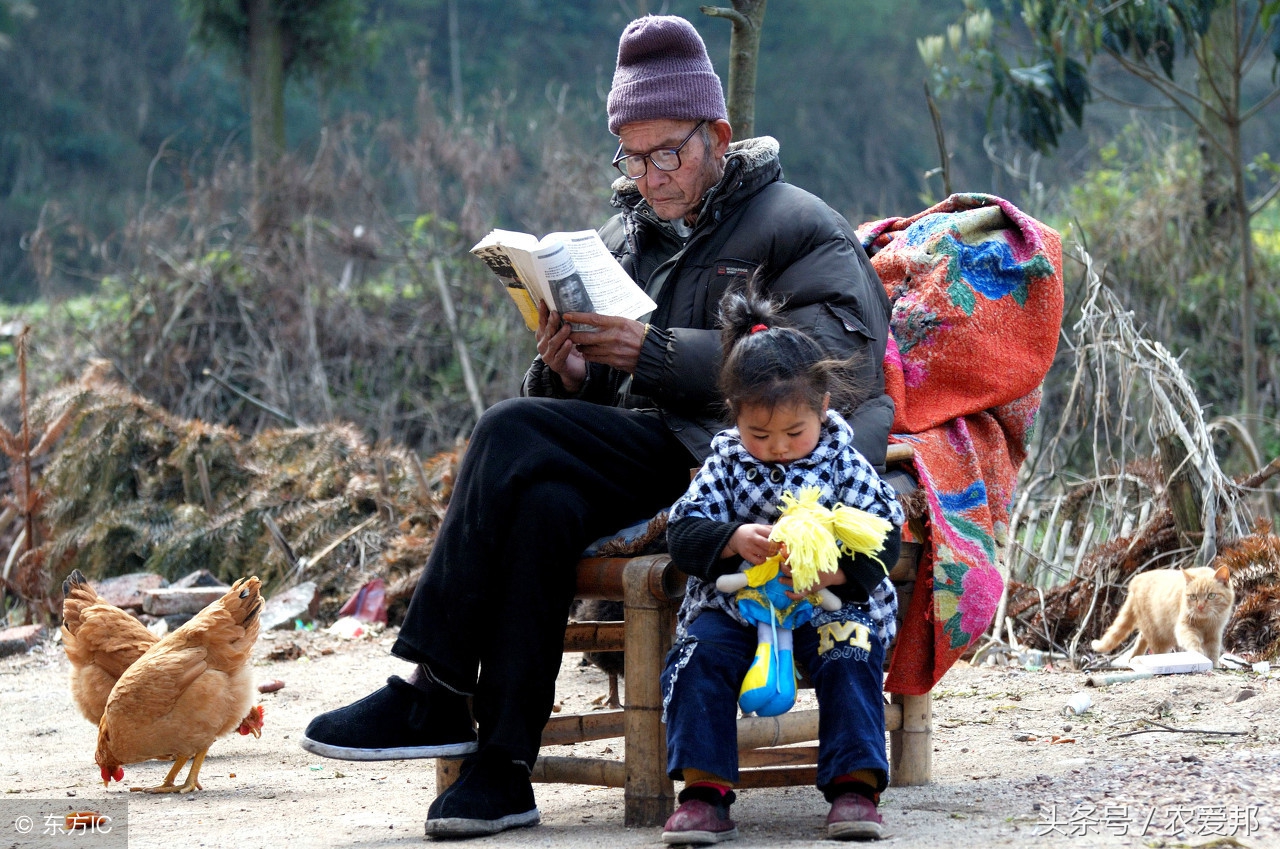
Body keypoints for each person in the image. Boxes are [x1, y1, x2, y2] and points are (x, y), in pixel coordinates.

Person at [301, 13, 894, 840]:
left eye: (668, 153)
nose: (649, 177)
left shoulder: (797, 225)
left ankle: (436, 687)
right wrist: (568, 374)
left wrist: (656, 353)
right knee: (541, 495)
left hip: (729, 461)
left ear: (717, 135)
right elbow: (599, 401)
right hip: (641, 445)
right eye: (631, 155)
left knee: (507, 433)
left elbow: (838, 360)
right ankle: (504, 768)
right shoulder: (625, 238)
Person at [660, 288, 904, 844]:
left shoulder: (842, 459)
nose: (776, 448)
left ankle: (854, 785)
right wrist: (731, 537)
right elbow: (683, 529)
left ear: (822, 409)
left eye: (794, 434)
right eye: (759, 434)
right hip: (736, 604)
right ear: (735, 416)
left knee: (851, 651)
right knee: (697, 659)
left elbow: (884, 535)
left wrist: (835, 573)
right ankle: (704, 790)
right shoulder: (724, 460)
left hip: (827, 603)